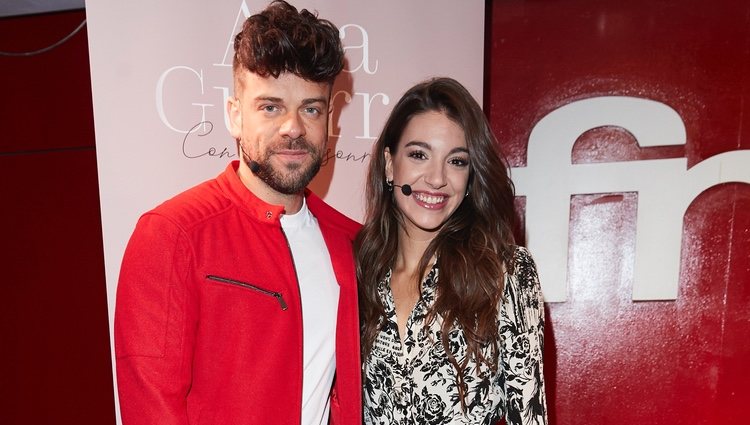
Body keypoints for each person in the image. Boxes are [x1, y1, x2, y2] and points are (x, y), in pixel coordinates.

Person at [114, 2, 361, 424]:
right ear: (234, 115)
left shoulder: (352, 242)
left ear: (329, 119)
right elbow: (151, 407)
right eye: (270, 107)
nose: (293, 127)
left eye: (311, 108)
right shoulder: (173, 234)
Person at [356, 77, 548, 425]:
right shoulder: (357, 272)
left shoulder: (506, 273)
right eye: (418, 155)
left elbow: (529, 416)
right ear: (389, 164)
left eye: (457, 161)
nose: (437, 178)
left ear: (471, 176)